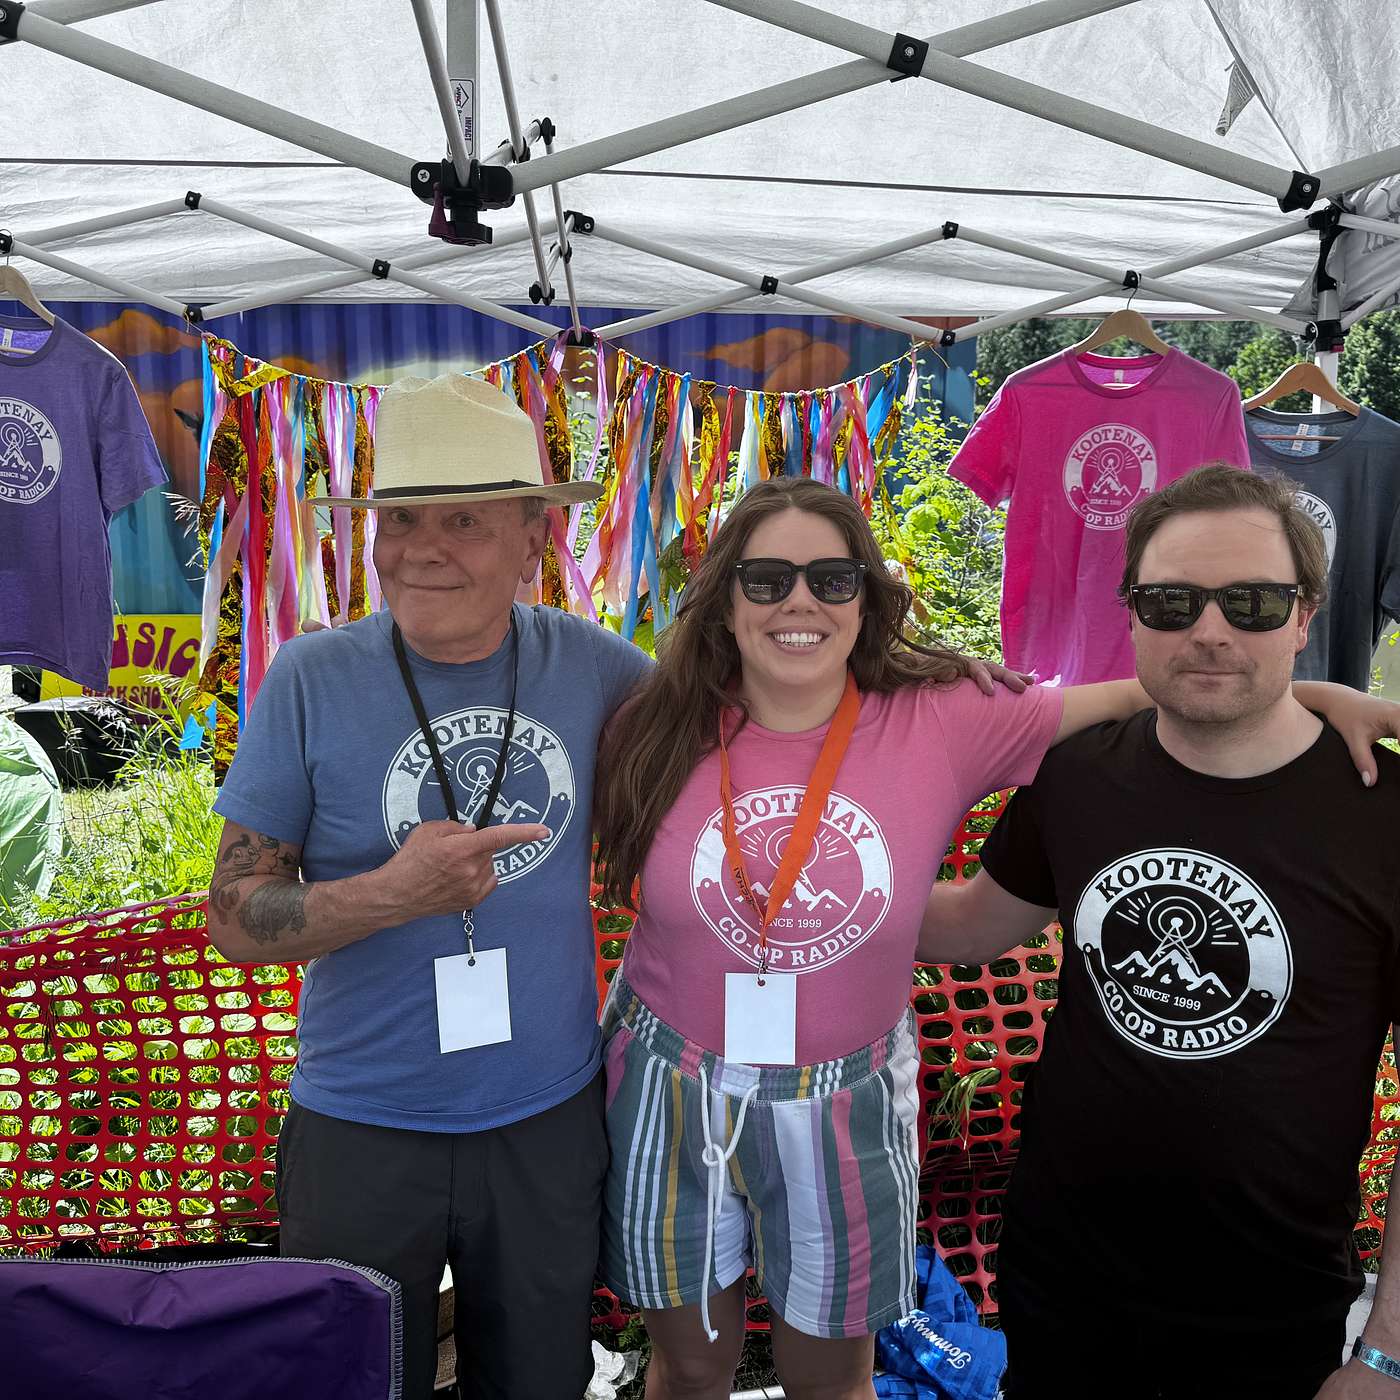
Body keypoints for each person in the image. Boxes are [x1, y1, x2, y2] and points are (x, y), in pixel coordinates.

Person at [590, 475, 1398, 1400]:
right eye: (767, 579)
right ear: (724, 597)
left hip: (1252, 1286)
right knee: (692, 1365)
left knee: (831, 1377)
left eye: (833, 579)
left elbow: (1176, 683)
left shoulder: (947, 719)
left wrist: (1315, 695)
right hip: (692, 1088)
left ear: (869, 598)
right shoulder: (650, 724)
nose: (800, 602)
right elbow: (1161, 687)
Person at [205, 374, 653, 1400]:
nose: (421, 549)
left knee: (537, 1382)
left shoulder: (599, 669)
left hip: (544, 1119)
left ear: (533, 539)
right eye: (401, 518)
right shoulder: (311, 677)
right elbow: (234, 919)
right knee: (350, 1381)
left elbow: (748, 723)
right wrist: (395, 893)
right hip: (360, 1124)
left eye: (463, 521)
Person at [917, 465, 1400, 1400]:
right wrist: (785, 896)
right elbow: (970, 927)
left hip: (1274, 1313)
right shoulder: (1076, 776)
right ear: (1132, 616)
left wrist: (1385, 1354)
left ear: (1305, 617)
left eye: (1253, 603)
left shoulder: (1384, 815)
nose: (1210, 630)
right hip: (1060, 1285)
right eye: (1172, 602)